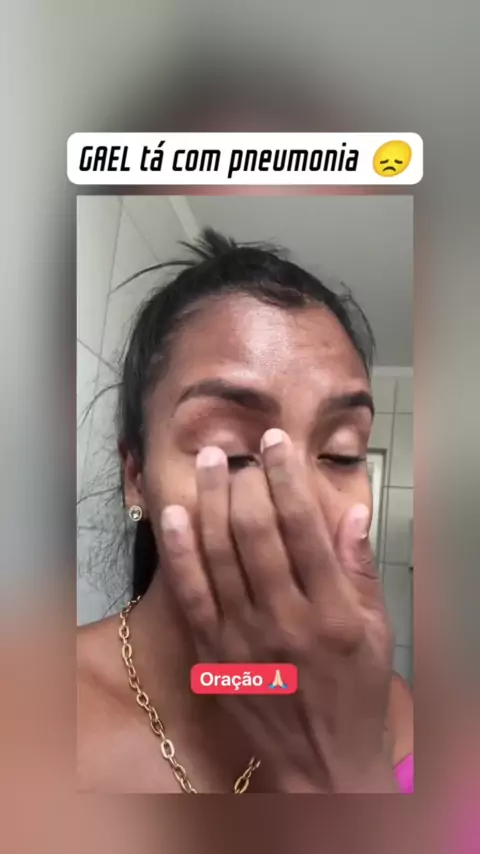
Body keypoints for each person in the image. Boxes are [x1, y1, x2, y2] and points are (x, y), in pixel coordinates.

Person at [77, 228, 413, 793]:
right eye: (230, 452)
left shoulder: (394, 716)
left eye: (341, 454)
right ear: (136, 478)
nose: (299, 503)